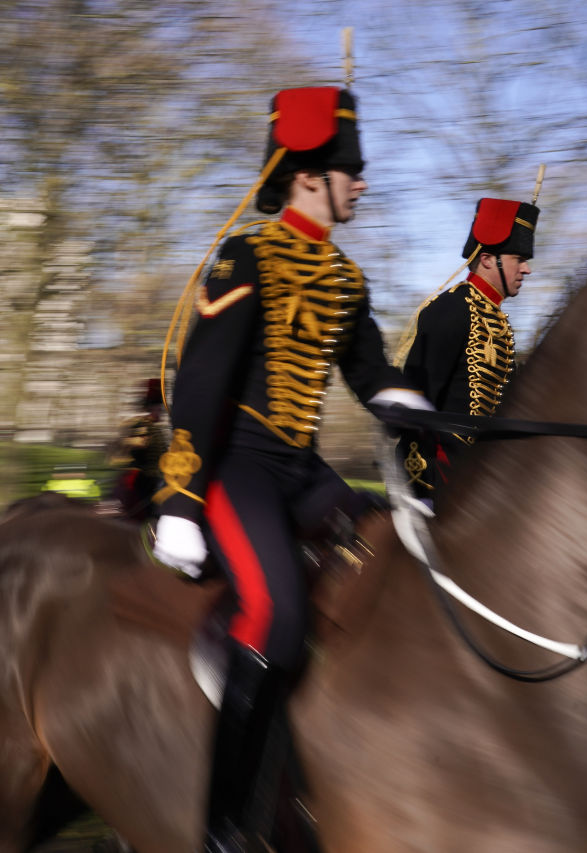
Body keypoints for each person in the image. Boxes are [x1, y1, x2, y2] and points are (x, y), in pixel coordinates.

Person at [149, 86, 429, 852]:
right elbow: (201, 383)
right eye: (353, 170)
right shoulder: (248, 255)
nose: (363, 183)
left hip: (304, 470)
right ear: (310, 174)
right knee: (276, 618)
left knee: (400, 568)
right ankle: (222, 823)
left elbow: (372, 374)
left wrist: (424, 406)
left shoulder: (345, 278)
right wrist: (178, 496)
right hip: (238, 468)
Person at [397, 197, 538, 499]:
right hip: (440, 482)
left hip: (485, 482)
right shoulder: (451, 309)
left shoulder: (499, 322)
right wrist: (423, 484)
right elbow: (419, 403)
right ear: (488, 259)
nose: (526, 269)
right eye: (519, 258)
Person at [106, 378, 169, 521]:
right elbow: (135, 451)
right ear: (150, 408)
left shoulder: (156, 429)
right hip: (144, 480)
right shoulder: (141, 424)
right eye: (158, 408)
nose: (160, 412)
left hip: (155, 479)